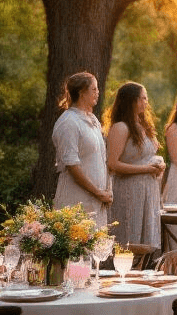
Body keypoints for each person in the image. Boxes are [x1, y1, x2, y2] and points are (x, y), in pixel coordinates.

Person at [105, 82, 164, 249]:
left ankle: (143, 265)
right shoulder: (121, 127)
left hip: (148, 190)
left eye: (146, 98)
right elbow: (112, 164)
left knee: (146, 240)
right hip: (129, 190)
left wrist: (159, 165)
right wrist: (146, 169)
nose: (146, 102)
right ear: (131, 100)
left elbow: (147, 156)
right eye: (142, 98)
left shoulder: (143, 125)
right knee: (129, 238)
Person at [53, 71, 112, 223]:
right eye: (94, 89)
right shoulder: (69, 122)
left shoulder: (93, 120)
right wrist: (98, 193)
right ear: (82, 93)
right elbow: (72, 165)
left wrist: (107, 190)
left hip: (97, 201)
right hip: (76, 200)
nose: (98, 92)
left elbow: (101, 158)